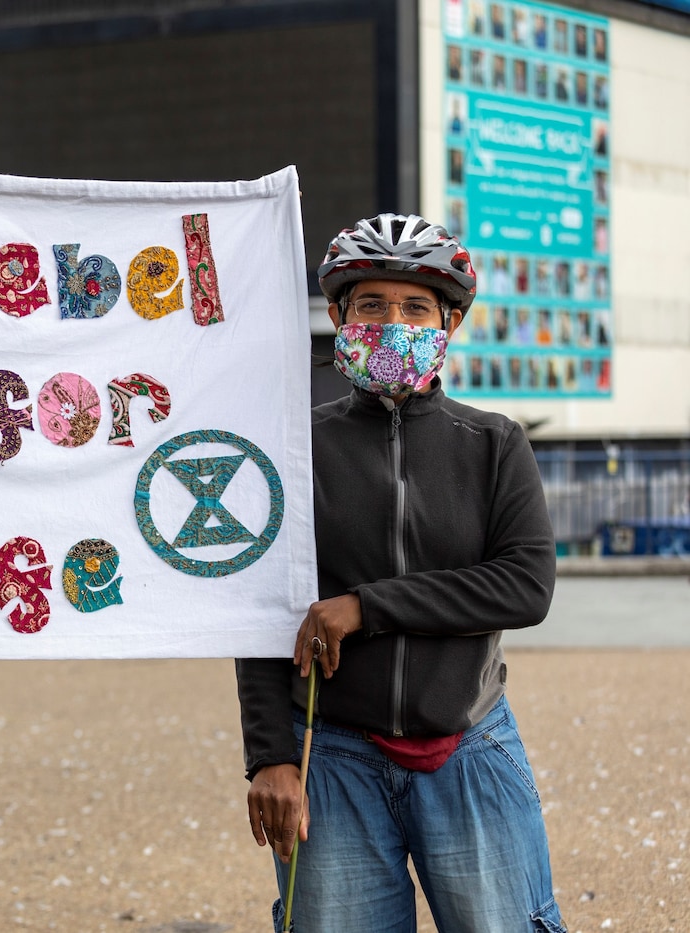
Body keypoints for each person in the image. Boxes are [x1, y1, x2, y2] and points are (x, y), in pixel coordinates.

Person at [236, 214, 564, 932]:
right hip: (333, 754)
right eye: (372, 304)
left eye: (416, 307)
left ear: (449, 323)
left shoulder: (494, 445)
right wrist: (271, 758)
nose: (394, 321)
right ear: (339, 315)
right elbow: (260, 607)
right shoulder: (294, 450)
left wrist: (367, 605)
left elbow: (526, 583)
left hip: (470, 746)